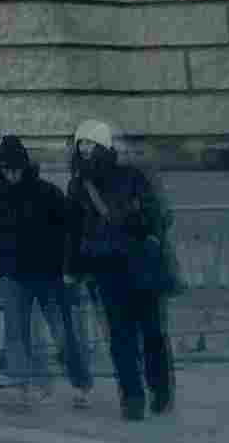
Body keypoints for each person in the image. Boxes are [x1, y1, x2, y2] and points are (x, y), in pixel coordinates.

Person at [65, 120, 176, 424]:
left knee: (151, 332)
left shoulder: (131, 176)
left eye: (89, 144)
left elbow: (157, 214)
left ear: (103, 146)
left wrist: (142, 224)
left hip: (139, 265)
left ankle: (160, 387)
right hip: (106, 269)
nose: (84, 149)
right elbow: (73, 230)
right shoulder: (77, 185)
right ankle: (132, 396)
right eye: (80, 144)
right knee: (120, 336)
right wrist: (73, 268)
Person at [0, 133, 94, 412]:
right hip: (12, 275)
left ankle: (80, 384)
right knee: (16, 335)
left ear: (25, 166)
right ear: (0, 168)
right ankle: (21, 389)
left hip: (50, 275)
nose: (12, 174)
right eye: (6, 169)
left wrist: (71, 268)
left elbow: (70, 230)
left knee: (64, 332)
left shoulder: (47, 192)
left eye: (16, 168)